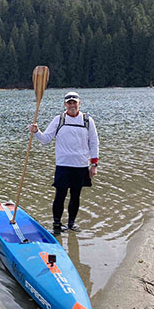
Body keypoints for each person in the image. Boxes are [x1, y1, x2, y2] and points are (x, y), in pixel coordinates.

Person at [29, 91, 99, 234]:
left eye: (74, 102)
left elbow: (94, 142)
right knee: (60, 196)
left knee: (75, 196)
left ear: (80, 103)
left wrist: (94, 164)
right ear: (65, 104)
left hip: (81, 166)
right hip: (63, 165)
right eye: (69, 103)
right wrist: (36, 132)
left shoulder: (87, 120)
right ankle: (56, 224)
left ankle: (71, 224)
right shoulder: (59, 119)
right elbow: (46, 139)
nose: (72, 105)